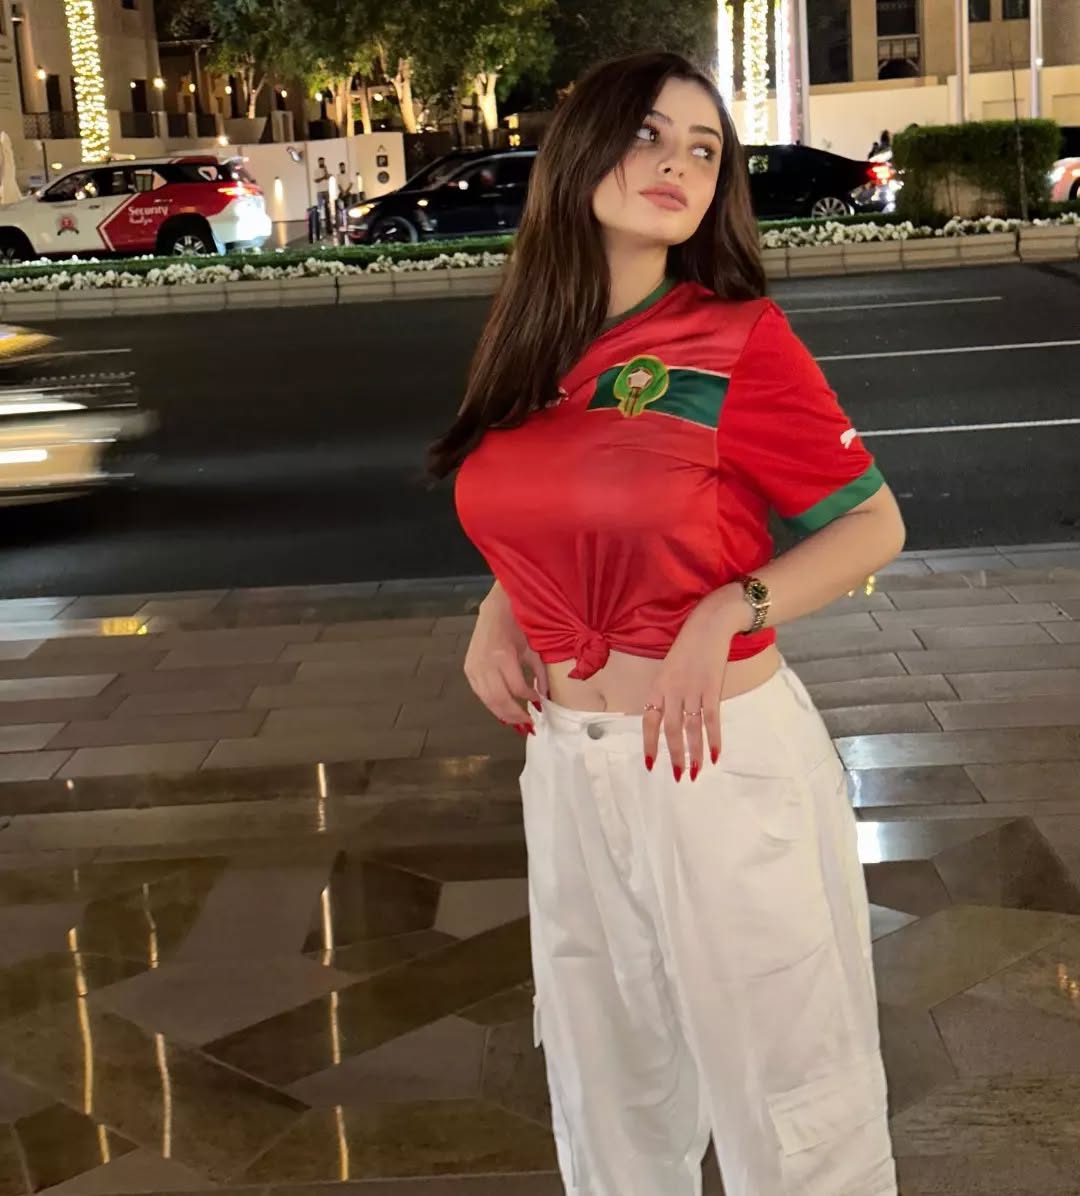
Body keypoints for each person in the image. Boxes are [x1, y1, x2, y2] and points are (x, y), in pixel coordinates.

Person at [431, 51, 903, 1196]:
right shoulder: (527, 340)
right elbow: (546, 505)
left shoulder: (737, 339)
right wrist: (499, 607)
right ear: (581, 149)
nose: (678, 164)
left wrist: (730, 607)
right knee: (607, 1086)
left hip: (717, 763)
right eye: (649, 134)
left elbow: (873, 523)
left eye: (704, 148)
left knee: (787, 1095)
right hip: (568, 764)